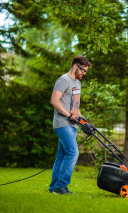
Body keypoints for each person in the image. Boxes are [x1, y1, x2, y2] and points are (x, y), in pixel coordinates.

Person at [49, 55, 91, 195]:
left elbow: (75, 107)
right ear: (75, 66)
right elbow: (55, 101)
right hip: (63, 123)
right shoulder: (63, 80)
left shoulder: (77, 83)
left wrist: (83, 120)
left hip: (72, 124)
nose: (84, 74)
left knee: (61, 156)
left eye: (85, 71)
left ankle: (54, 187)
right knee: (73, 152)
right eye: (83, 70)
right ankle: (61, 187)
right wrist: (69, 116)